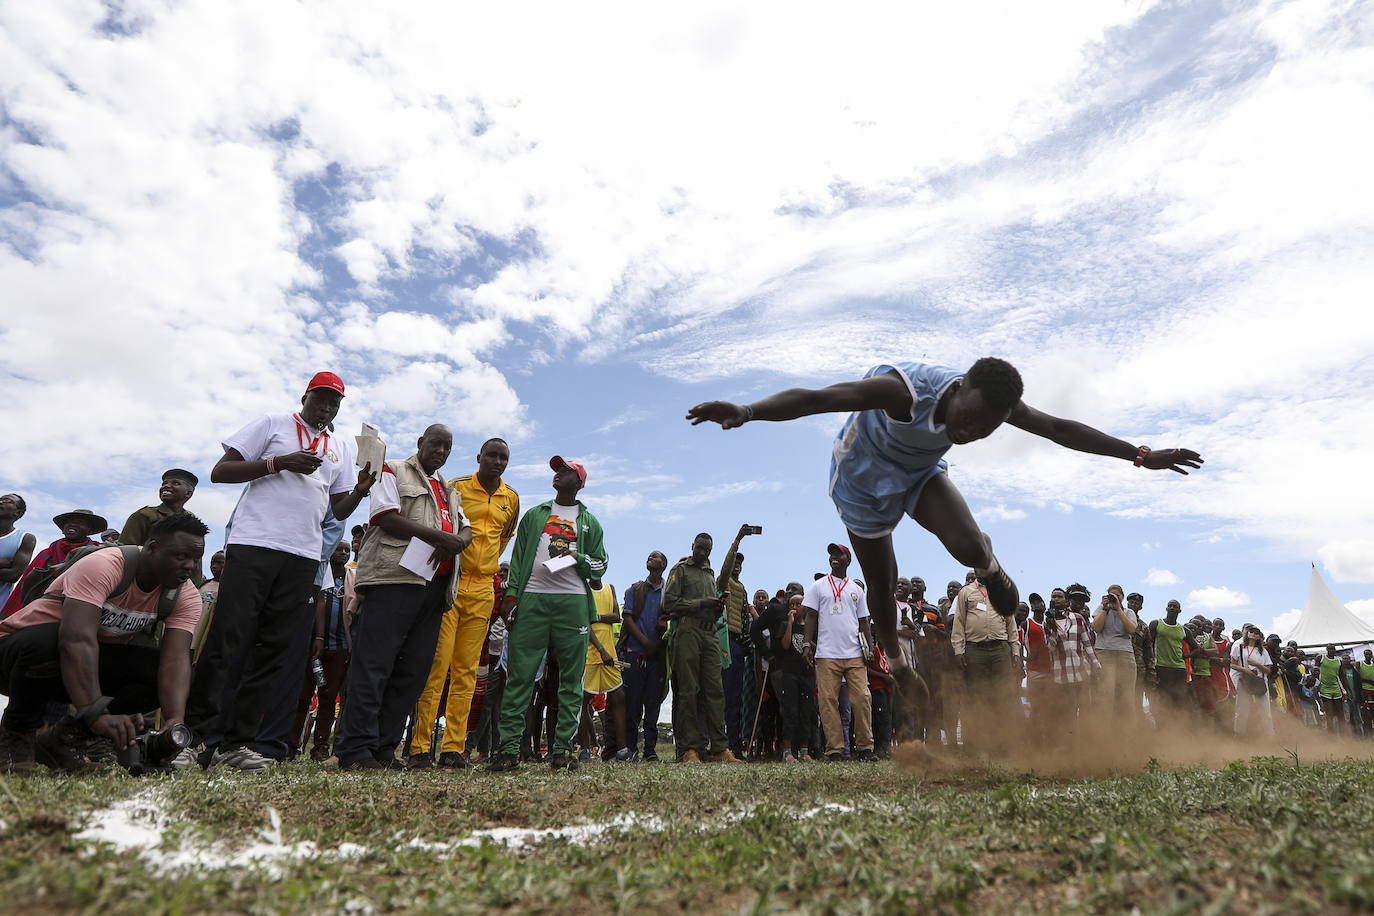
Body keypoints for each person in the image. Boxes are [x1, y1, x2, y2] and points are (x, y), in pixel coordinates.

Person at [686, 357, 1203, 702]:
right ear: (959, 390)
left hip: (917, 475)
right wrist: (748, 411)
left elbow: (1057, 428)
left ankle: (990, 567)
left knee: (967, 544)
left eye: (984, 430)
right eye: (967, 419)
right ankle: (897, 664)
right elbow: (819, 397)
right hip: (862, 485)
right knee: (882, 580)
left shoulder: (995, 404)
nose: (968, 431)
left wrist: (1139, 454)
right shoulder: (902, 392)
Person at [186, 371, 374, 772]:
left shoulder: (339, 446)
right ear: (305, 397)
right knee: (229, 640)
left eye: (334, 402)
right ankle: (198, 737)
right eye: (320, 398)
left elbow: (337, 508)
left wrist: (359, 490)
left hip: (303, 555)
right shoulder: (272, 424)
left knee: (274, 650)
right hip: (254, 544)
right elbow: (221, 472)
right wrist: (279, 463)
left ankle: (237, 742)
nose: (326, 407)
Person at [0, 513, 208, 773]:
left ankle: (64, 740)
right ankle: (15, 737)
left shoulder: (184, 595)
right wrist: (94, 711)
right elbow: (76, 640)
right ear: (153, 548)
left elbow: (175, 660)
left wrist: (174, 720)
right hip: (16, 657)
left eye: (195, 559)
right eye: (181, 556)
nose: (190, 566)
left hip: (74, 668)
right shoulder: (104, 565)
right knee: (50, 641)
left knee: (161, 672)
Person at [333, 425, 467, 771]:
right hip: (393, 579)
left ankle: (383, 748)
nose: (441, 451)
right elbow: (385, 517)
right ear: (421, 443)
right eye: (435, 444)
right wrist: (440, 538)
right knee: (374, 665)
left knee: (412, 671)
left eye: (447, 447)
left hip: (434, 588)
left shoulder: (449, 489)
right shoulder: (392, 470)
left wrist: (458, 540)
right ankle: (356, 748)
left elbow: (464, 527)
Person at [488, 457, 607, 772]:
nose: (558, 474)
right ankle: (508, 750)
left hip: (573, 602)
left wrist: (578, 558)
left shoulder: (590, 522)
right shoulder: (535, 515)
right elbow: (518, 558)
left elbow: (600, 564)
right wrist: (511, 595)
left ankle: (563, 750)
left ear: (579, 482)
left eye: (566, 471)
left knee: (571, 678)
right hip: (533, 600)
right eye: (557, 470)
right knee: (520, 675)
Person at [410, 437, 519, 769]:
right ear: (479, 457)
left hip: (484, 588)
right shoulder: (456, 486)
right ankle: (420, 747)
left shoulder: (512, 498)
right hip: (452, 584)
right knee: (437, 666)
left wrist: (485, 568)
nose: (497, 462)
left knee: (467, 672)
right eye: (491, 455)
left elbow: (502, 539)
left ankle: (454, 749)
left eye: (503, 458)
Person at [662, 532, 738, 764]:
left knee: (715, 691)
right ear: (692, 546)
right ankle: (690, 749)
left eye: (707, 549)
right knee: (688, 690)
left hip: (710, 633)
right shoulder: (681, 569)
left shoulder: (710, 574)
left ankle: (719, 748)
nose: (703, 552)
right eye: (700, 548)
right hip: (687, 631)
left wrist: (716, 606)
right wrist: (701, 603)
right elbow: (668, 603)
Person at [803, 543, 876, 762]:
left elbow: (864, 621)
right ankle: (834, 749)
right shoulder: (818, 586)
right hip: (826, 653)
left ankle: (865, 748)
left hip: (855, 653)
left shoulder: (856, 589)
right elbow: (810, 616)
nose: (834, 557)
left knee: (862, 698)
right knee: (828, 701)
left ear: (848, 560)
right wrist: (806, 643)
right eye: (831, 554)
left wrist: (870, 647)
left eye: (839, 554)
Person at [290, 540, 353, 761]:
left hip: (339, 647)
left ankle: (320, 747)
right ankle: (291, 745)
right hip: (312, 646)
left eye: (347, 550)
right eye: (339, 549)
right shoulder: (319, 574)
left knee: (328, 697)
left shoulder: (350, 579)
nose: (343, 553)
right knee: (302, 696)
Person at [950, 575, 1017, 751]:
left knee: (1003, 695)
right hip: (975, 649)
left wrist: (1015, 651)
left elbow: (1011, 623)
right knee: (975, 696)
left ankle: (1003, 743)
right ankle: (974, 743)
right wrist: (958, 650)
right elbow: (959, 622)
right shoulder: (966, 592)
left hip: (1000, 648)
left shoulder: (1002, 591)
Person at [0, 509, 107, 618]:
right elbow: (26, 585)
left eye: (80, 522)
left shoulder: (98, 553)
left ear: (89, 530)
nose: (73, 524)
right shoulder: (46, 554)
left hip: (79, 608)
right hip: (40, 609)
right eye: (69, 522)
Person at [620, 551, 669, 761]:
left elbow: (670, 621)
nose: (650, 558)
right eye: (649, 556)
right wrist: (646, 643)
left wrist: (656, 646)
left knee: (653, 702)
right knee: (633, 702)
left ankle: (650, 750)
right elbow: (627, 619)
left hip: (658, 655)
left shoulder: (669, 592)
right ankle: (631, 748)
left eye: (655, 556)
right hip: (635, 653)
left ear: (664, 564)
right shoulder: (635, 589)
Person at [715, 525, 756, 757]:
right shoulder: (723, 582)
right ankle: (718, 744)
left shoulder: (742, 588)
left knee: (735, 698)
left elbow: (744, 619)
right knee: (720, 696)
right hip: (724, 642)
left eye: (740, 562)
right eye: (735, 561)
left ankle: (733, 745)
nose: (737, 564)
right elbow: (725, 568)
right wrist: (738, 539)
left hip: (738, 645)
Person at [1045, 584, 1100, 739]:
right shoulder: (1048, 622)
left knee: (1085, 708)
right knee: (1067, 710)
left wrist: (1097, 665)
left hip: (1082, 671)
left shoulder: (1077, 618)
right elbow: (1050, 649)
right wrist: (1052, 629)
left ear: (1066, 600)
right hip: (1061, 674)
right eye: (1053, 597)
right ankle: (1069, 742)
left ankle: (1086, 740)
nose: (1056, 599)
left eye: (1059, 597)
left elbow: (1087, 645)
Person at [583, 581, 630, 760]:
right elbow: (584, 621)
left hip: (610, 653)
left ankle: (622, 750)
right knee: (584, 700)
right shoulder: (583, 588)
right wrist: (600, 649)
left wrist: (595, 616)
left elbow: (616, 616)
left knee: (618, 696)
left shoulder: (610, 588)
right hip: (590, 653)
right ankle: (584, 750)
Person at [118, 469, 199, 547]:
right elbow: (124, 550)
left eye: (176, 483)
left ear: (188, 494)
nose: (166, 486)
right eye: (164, 483)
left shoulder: (191, 519)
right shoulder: (144, 515)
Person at [1092, 586, 1138, 721]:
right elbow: (1096, 628)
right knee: (1105, 693)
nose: (1114, 598)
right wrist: (1105, 608)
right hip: (1104, 652)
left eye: (1117, 596)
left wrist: (1118, 609)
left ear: (1122, 597)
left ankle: (1126, 728)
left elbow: (1131, 630)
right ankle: (1104, 728)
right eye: (1111, 595)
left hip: (1125, 653)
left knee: (1127, 694)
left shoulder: (1129, 612)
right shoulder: (1101, 609)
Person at [1150, 600, 1191, 719]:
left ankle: (1176, 725)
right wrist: (1151, 661)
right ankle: (1161, 725)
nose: (1172, 608)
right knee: (1162, 698)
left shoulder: (1183, 630)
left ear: (1180, 610)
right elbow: (1149, 644)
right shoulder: (1156, 624)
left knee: (1178, 699)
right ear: (1166, 609)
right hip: (1161, 667)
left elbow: (1196, 648)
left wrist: (1185, 656)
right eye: (1170, 606)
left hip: (1179, 669)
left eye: (1175, 606)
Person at [1230, 626, 1274, 737]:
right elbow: (1232, 665)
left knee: (1265, 711)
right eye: (1251, 631)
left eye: (1256, 632)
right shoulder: (1239, 647)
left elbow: (1268, 670)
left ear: (1259, 636)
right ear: (1247, 633)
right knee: (1241, 710)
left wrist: (1257, 664)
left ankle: (1269, 736)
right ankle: (1239, 735)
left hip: (1260, 681)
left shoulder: (1263, 651)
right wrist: (1245, 669)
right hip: (1245, 680)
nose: (1253, 634)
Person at [0, 494, 37, 611]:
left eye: (7, 500)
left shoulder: (25, 538)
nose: (1, 502)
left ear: (18, 512)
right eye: (0, 499)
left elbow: (13, 575)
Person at [192, 550, 226, 662]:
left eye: (219, 563)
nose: (214, 566)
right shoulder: (202, 585)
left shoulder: (226, 589)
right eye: (212, 562)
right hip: (191, 633)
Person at [1316, 644, 1347, 736]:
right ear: (1327, 650)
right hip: (1324, 688)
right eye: (1330, 649)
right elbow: (1315, 671)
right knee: (1329, 712)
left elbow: (1342, 676)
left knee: (1340, 712)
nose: (1332, 650)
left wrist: (1346, 690)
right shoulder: (1321, 658)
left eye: (1333, 649)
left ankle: (1343, 733)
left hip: (1335, 688)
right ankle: (1331, 734)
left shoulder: (1339, 661)